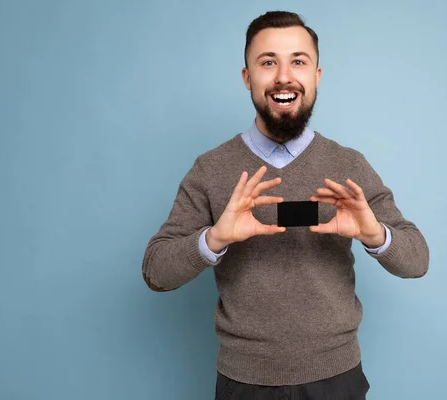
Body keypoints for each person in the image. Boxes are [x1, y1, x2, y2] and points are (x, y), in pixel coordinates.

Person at [142, 10, 429, 400]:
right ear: (247, 77)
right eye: (267, 62)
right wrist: (214, 239)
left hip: (337, 379)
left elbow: (417, 260)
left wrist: (373, 233)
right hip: (243, 384)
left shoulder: (349, 165)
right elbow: (156, 272)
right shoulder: (210, 169)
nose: (283, 75)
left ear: (316, 76)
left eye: (298, 61)